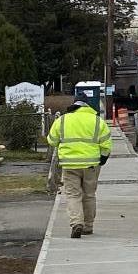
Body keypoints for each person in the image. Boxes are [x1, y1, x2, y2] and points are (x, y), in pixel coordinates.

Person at [46, 96, 112, 238]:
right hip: (91, 165)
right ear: (87, 105)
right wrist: (103, 158)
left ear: (74, 105)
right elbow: (106, 144)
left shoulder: (62, 120)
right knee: (89, 195)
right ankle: (88, 226)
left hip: (69, 164)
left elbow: (51, 140)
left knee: (73, 195)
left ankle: (76, 223)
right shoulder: (97, 121)